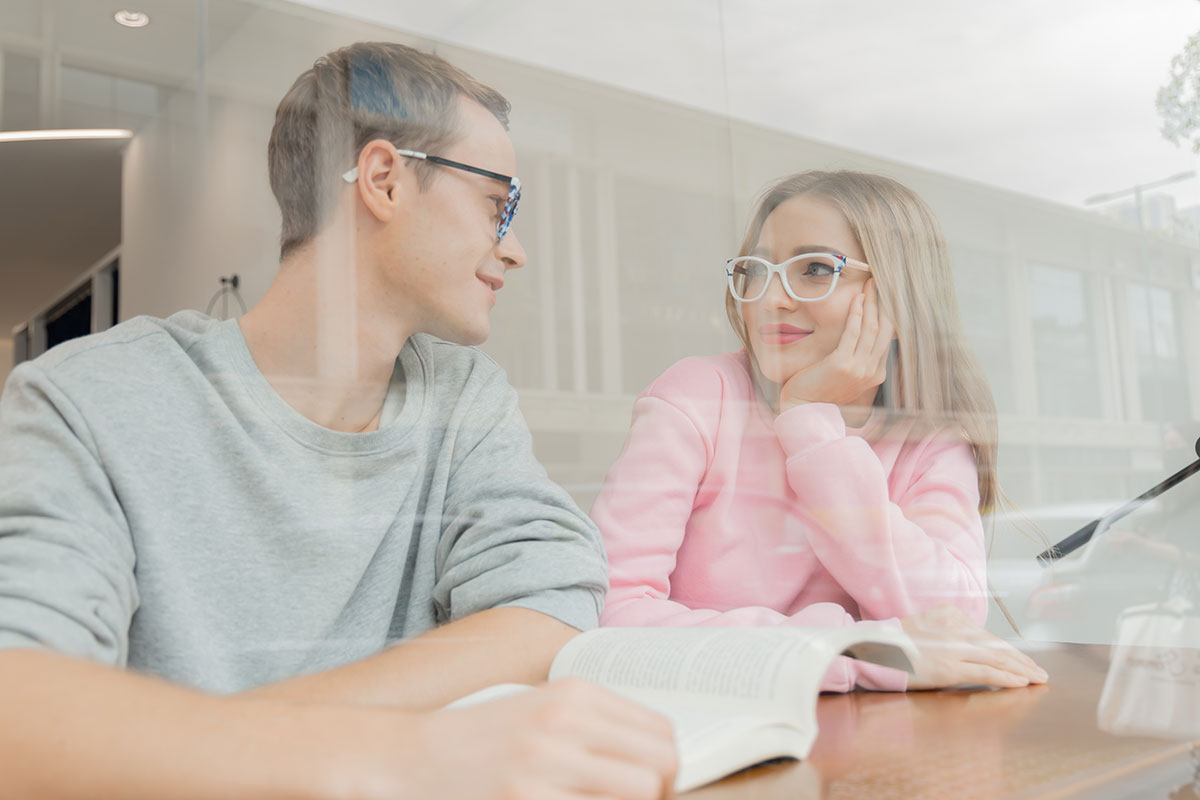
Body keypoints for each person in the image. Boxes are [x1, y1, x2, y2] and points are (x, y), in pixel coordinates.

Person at [0, 42, 676, 799]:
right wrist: (394, 754)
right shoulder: (88, 398)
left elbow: (550, 607)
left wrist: (218, 742)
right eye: (498, 204)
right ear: (385, 179)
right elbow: (16, 709)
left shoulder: (463, 399)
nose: (513, 250)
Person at [593, 170, 1047, 692]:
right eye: (758, 271)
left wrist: (812, 426)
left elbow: (951, 628)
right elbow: (610, 613)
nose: (771, 298)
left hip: (873, 748)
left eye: (813, 269)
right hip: (701, 734)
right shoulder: (696, 398)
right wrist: (849, 654)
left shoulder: (930, 442)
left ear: (895, 295)